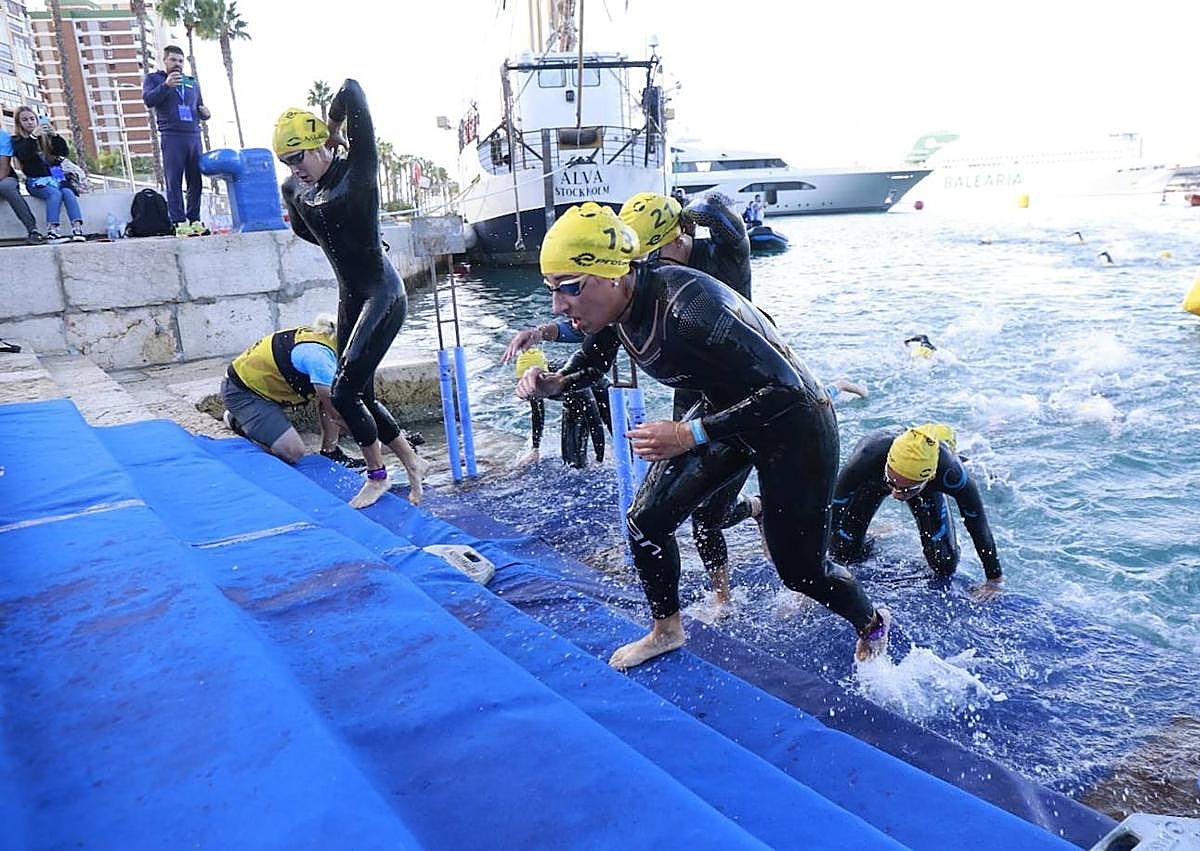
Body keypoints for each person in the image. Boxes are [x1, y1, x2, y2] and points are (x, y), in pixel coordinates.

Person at [518, 202, 891, 669]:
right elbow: (591, 365)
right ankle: (666, 630)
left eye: (569, 288)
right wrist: (553, 383)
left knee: (802, 573)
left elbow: (787, 390)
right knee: (646, 522)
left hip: (795, 424)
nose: (559, 305)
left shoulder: (689, 306)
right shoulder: (614, 309)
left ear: (612, 274)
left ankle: (873, 622)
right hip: (728, 413)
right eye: (552, 289)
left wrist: (688, 433)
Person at [275, 79, 427, 508]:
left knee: (342, 393)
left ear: (320, 144)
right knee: (363, 394)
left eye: (298, 157)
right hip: (351, 296)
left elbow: (352, 89)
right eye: (285, 162)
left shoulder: (358, 172)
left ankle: (377, 475)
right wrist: (302, 199)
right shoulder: (300, 190)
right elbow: (307, 231)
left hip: (383, 293)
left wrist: (336, 122)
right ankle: (413, 464)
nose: (293, 170)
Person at [829, 423, 1004, 600]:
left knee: (944, 565)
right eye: (892, 484)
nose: (896, 495)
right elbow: (829, 513)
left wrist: (994, 580)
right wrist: (816, 571)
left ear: (931, 476)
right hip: (874, 480)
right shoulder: (865, 459)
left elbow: (977, 524)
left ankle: (909, 492)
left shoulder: (951, 473)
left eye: (904, 490)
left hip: (924, 490)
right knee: (842, 552)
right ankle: (878, 527)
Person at [221, 316, 355, 465]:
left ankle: (330, 453)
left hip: (271, 387)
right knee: (293, 452)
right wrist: (373, 442)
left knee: (333, 398)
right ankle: (237, 420)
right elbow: (338, 414)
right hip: (244, 392)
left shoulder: (332, 341)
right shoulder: (319, 358)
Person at [142, 45, 210, 234]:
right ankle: (179, 222)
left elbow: (200, 106)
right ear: (164, 60)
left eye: (180, 61)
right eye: (173, 60)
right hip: (172, 136)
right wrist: (166, 86)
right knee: (174, 180)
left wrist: (205, 113)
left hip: (193, 136)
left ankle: (195, 219)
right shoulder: (154, 79)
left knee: (195, 181)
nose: (177, 64)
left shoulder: (191, 82)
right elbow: (148, 100)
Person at [514, 347, 605, 468]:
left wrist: (599, 458)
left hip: (596, 391)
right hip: (571, 399)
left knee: (575, 462)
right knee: (568, 459)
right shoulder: (533, 385)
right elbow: (537, 413)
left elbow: (594, 420)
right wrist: (535, 448)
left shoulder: (572, 381)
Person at [10, 107, 84, 243]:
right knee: (54, 194)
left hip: (56, 175)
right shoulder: (17, 140)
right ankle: (52, 231)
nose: (29, 122)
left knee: (68, 192)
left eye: (32, 119)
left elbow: (63, 152)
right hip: (36, 179)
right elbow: (23, 155)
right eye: (25, 120)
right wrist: (33, 137)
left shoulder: (46, 137)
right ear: (19, 123)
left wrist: (55, 135)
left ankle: (77, 229)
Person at [0, 123, 44, 244]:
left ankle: (33, 230)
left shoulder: (2, 137)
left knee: (6, 187)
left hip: (4, 178)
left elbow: (4, 168)